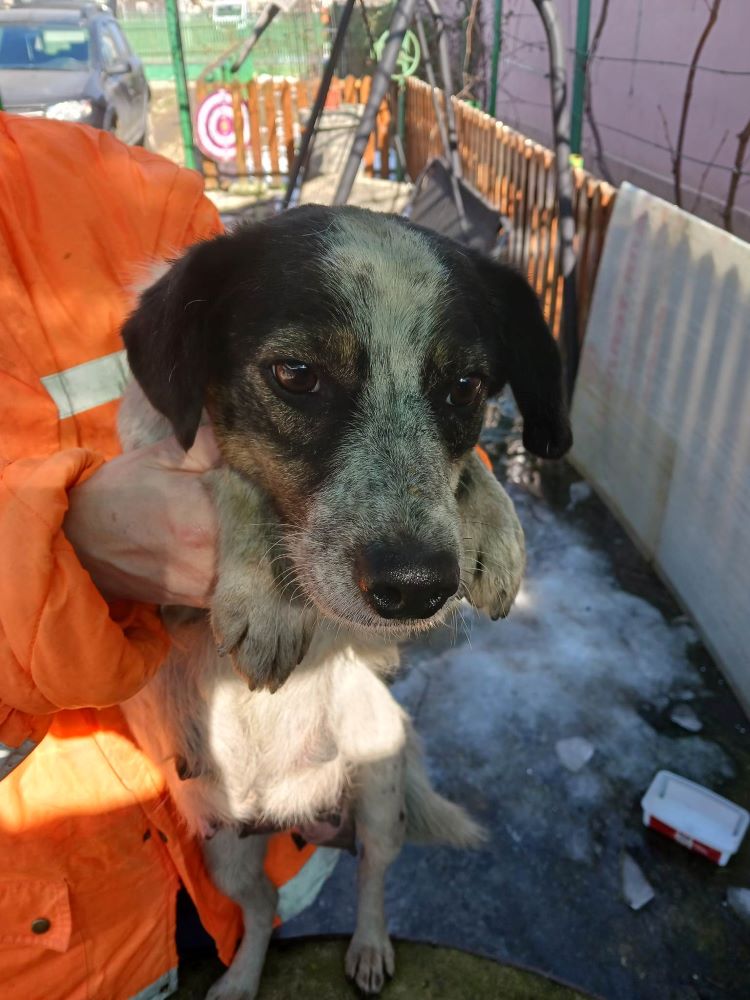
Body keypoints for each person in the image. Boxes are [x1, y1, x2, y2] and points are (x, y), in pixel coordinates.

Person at [0, 112, 328, 1000]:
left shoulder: (129, 189)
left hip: (251, 775)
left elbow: (339, 396)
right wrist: (62, 556)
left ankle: (249, 945)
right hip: (55, 924)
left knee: (245, 892)